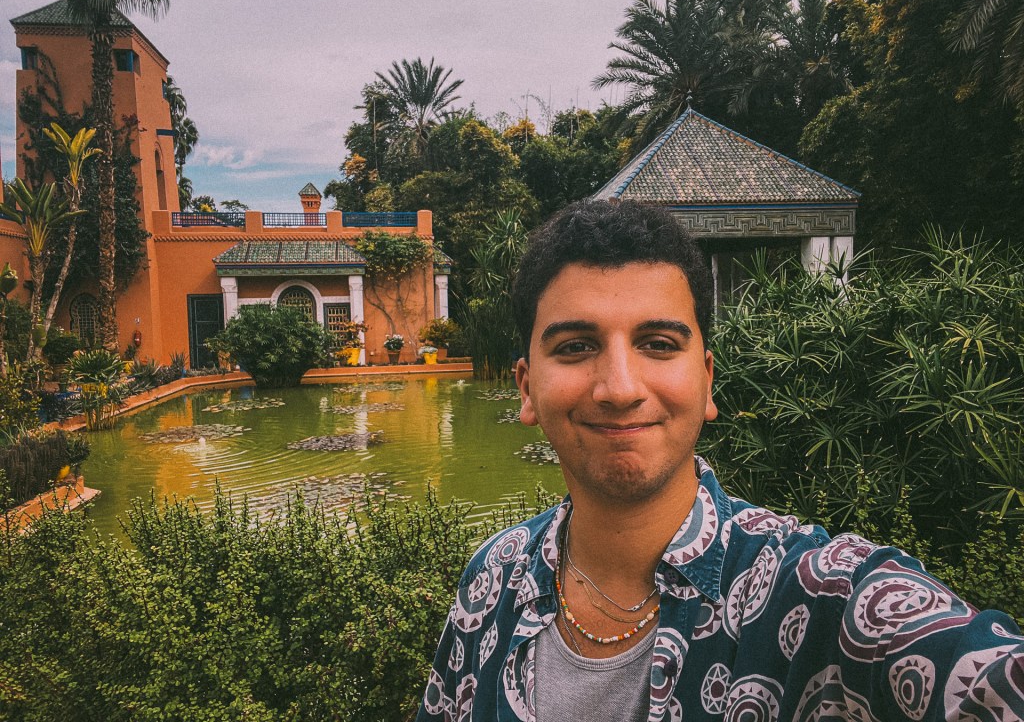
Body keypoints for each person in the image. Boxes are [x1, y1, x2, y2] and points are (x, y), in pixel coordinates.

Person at [416, 200, 1024, 722]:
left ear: (706, 381)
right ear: (526, 387)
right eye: (576, 347)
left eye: (659, 345)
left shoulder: (820, 597)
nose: (620, 387)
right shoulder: (493, 578)